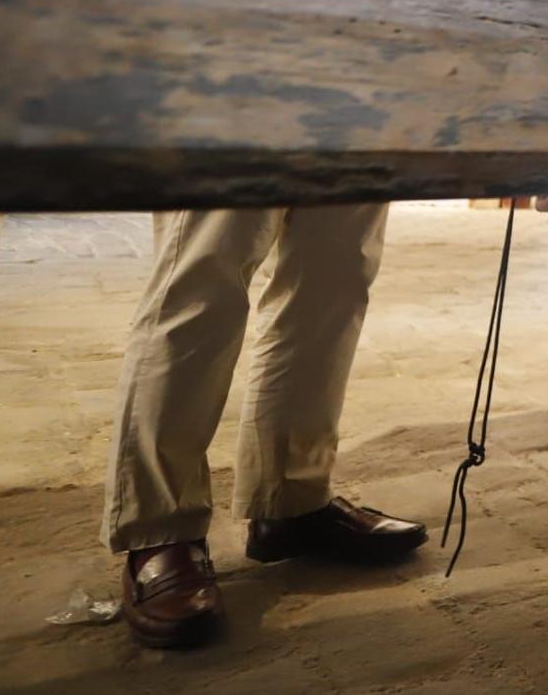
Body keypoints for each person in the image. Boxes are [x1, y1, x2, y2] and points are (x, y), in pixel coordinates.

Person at [103, 205, 428, 649]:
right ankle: (160, 527)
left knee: (334, 278)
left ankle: (290, 498)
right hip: (225, 132)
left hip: (359, 132)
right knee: (204, 275)